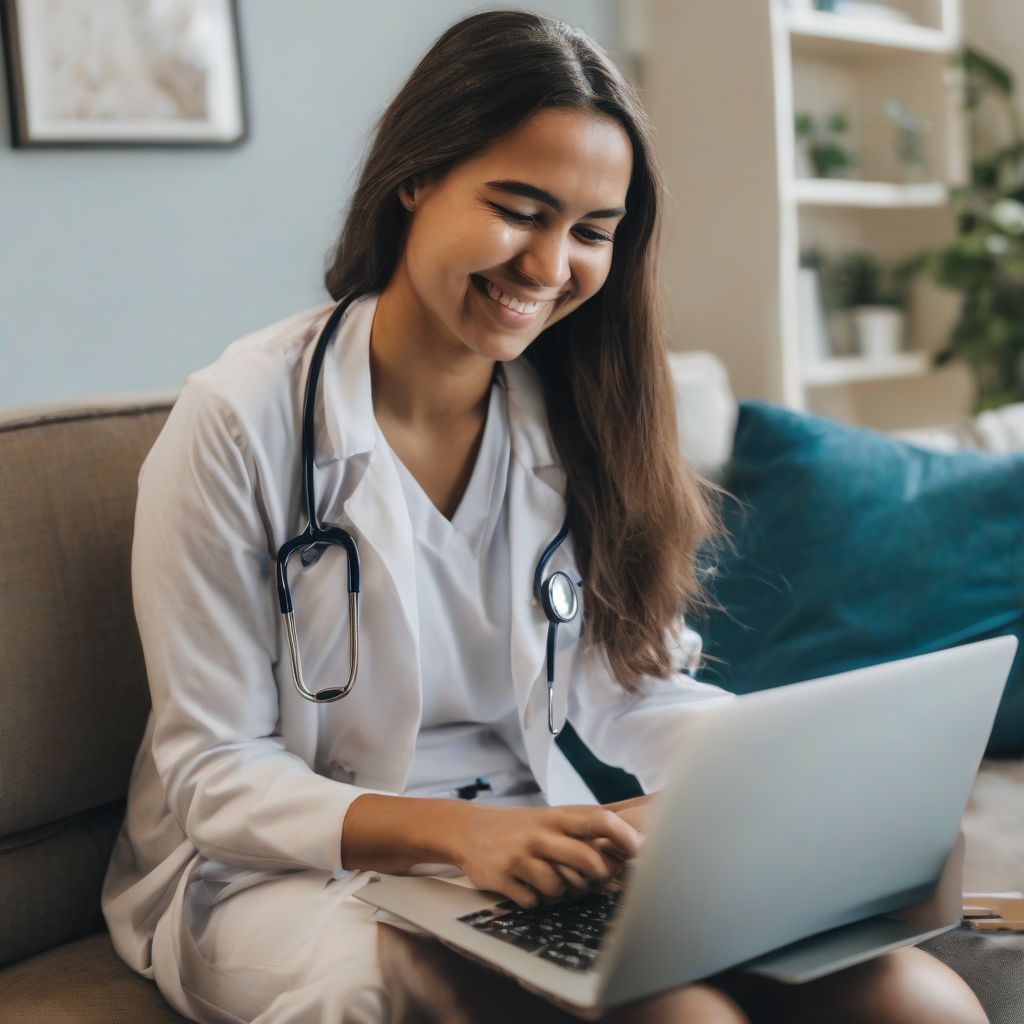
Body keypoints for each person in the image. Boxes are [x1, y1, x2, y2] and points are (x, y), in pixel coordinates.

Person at [101, 10, 988, 1024]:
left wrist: (757, 790)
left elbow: (636, 686)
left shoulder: (579, 411)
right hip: (291, 869)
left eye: (591, 232)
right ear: (415, 178)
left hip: (528, 847)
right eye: (518, 208)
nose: (548, 264)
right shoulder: (239, 422)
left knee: (919, 999)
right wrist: (451, 835)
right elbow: (214, 775)